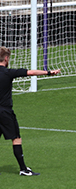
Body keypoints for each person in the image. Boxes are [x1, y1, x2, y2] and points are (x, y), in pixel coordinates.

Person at [0, 47, 61, 176]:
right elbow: (31, 72)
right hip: (5, 112)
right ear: (6, 58)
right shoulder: (8, 73)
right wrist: (49, 73)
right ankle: (23, 169)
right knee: (16, 138)